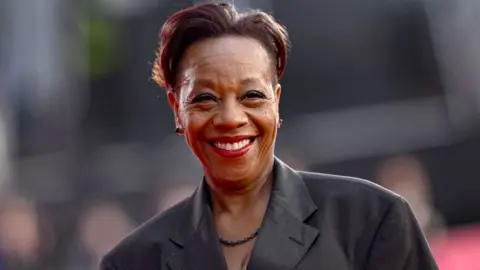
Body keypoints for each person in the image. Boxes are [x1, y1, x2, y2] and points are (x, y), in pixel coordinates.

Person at [100, 2, 438, 270]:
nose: (231, 118)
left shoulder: (371, 222)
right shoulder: (134, 262)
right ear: (177, 110)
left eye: (251, 96)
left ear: (276, 103)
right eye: (205, 98)